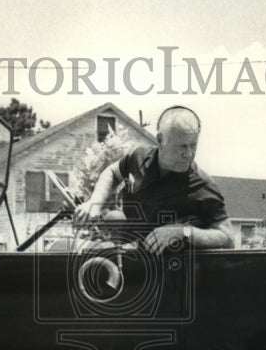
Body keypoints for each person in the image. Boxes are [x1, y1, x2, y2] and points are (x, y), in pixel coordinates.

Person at [73, 106, 234, 251]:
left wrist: (182, 232)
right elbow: (111, 172)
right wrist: (94, 204)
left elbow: (228, 237)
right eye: (182, 146)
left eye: (193, 145)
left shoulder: (203, 184)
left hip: (176, 270)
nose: (189, 154)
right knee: (113, 218)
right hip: (134, 257)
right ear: (160, 140)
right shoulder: (138, 157)